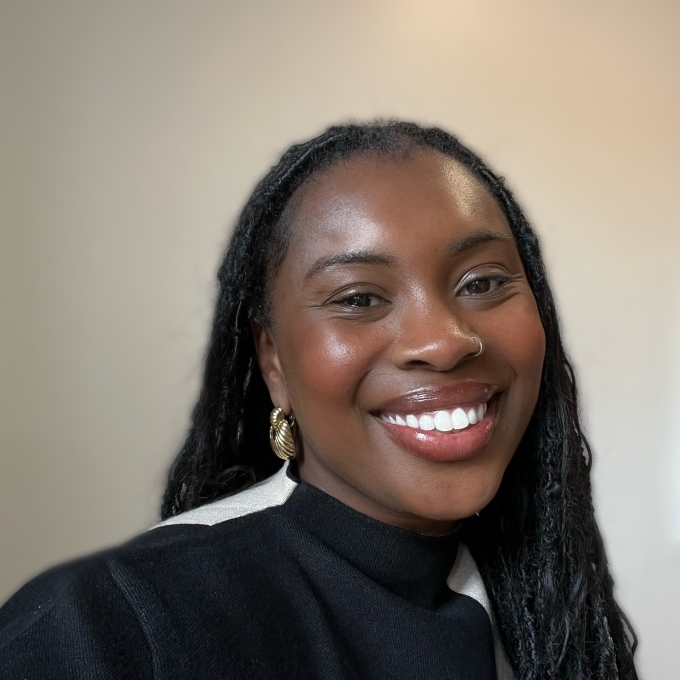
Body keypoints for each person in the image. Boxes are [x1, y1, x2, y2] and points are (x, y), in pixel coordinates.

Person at [0, 121, 638, 679]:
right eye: (359, 297)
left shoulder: (541, 609)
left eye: (483, 282)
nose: (445, 342)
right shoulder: (104, 625)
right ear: (274, 361)